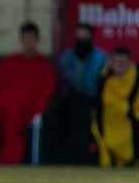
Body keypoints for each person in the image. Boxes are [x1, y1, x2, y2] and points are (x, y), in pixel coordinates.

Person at [0, 21, 56, 165]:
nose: (28, 42)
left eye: (31, 38)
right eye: (25, 38)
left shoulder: (43, 66)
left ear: (37, 40)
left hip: (21, 111)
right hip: (1, 108)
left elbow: (44, 94)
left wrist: (34, 109)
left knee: (13, 118)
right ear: (21, 39)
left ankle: (8, 159)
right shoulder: (9, 63)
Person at [46, 23, 107, 164]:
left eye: (85, 37)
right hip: (71, 103)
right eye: (79, 37)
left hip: (95, 102)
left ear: (91, 37)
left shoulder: (101, 58)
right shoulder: (66, 57)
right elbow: (62, 83)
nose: (82, 41)